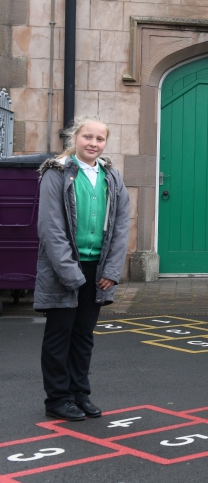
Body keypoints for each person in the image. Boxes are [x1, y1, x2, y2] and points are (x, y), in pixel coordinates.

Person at [35, 115, 130, 421]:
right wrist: (71, 273)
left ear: (105, 143)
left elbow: (120, 227)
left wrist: (111, 271)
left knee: (83, 335)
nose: (93, 143)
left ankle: (79, 394)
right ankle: (58, 399)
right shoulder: (57, 173)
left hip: (97, 271)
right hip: (64, 271)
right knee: (59, 334)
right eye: (87, 137)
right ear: (75, 138)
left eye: (99, 139)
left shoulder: (111, 177)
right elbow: (51, 228)